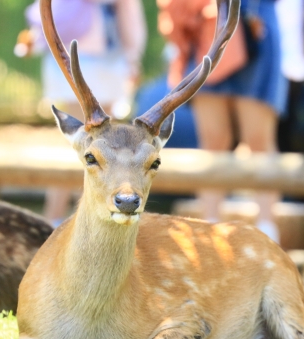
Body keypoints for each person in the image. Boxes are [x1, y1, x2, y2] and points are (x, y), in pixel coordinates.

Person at [158, 0, 287, 242]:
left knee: (258, 139)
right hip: (206, 23)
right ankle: (208, 232)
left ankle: (267, 231)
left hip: (254, 24)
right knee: (213, 140)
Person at [17, 0, 147, 225]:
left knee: (101, 143)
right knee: (80, 140)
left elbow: (128, 12)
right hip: (76, 57)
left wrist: (133, 57)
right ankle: (54, 218)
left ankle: (86, 217)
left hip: (110, 57)